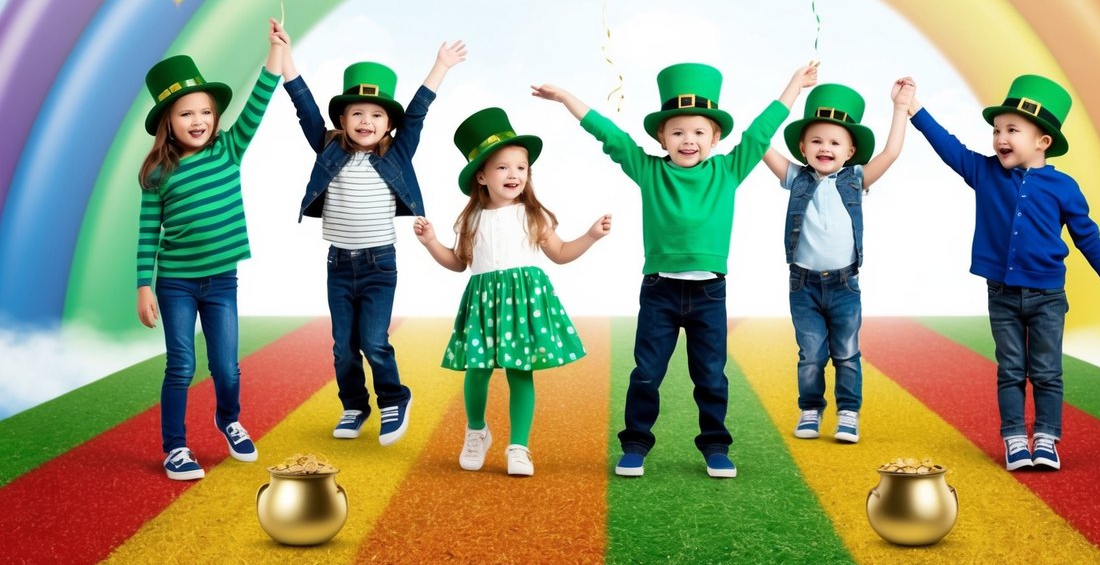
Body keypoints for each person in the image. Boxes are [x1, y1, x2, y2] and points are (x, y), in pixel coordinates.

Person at [533, 59, 818, 479]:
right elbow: (610, 137)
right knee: (647, 373)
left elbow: (759, 133)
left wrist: (795, 85)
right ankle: (635, 446)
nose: (688, 140)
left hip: (709, 294)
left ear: (716, 137)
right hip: (660, 291)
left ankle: (716, 447)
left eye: (699, 132)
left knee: (710, 376)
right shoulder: (649, 171)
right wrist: (566, 99)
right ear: (661, 136)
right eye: (678, 132)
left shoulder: (727, 170)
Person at [909, 74, 1100, 471]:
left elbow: (1090, 239)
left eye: (1012, 130)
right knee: (1011, 369)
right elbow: (949, 148)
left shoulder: (1064, 187)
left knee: (1047, 371)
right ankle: (1015, 439)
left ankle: (1047, 439)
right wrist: (914, 108)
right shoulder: (984, 173)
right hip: (1001, 294)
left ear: (1042, 141)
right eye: (997, 129)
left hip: (1048, 297)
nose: (1000, 137)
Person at [280, 35, 466, 446]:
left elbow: (417, 113)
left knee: (374, 342)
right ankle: (354, 405)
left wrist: (441, 66)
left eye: (376, 115)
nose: (366, 121)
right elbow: (304, 108)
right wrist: (286, 58)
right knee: (343, 347)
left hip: (379, 265)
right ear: (342, 121)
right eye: (356, 113)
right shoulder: (327, 148)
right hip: (338, 264)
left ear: (389, 124)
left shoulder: (395, 154)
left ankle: (394, 398)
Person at [413, 107, 610, 476]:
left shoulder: (535, 215)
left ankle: (518, 446)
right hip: (484, 303)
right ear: (482, 177)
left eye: (521, 167)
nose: (514, 174)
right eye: (503, 167)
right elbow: (458, 263)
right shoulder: (470, 219)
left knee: (521, 373)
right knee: (477, 368)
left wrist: (591, 235)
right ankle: (476, 431)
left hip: (525, 305)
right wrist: (430, 242)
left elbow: (562, 253)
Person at [136, 18, 287, 481]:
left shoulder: (229, 148)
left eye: (204, 112)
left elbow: (260, 98)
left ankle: (229, 419)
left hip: (222, 281)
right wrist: (144, 286)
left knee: (226, 365)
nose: (198, 121)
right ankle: (175, 448)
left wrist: (276, 50)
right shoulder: (158, 173)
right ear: (168, 122)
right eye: (185, 114)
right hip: (176, 283)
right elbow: (146, 233)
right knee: (180, 365)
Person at [762, 77, 916, 444]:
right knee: (811, 354)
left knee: (847, 353)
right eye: (816, 140)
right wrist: (791, 91)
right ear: (802, 147)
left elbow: (892, 153)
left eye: (835, 142)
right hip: (803, 284)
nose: (825, 148)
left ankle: (848, 413)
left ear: (850, 152)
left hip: (845, 284)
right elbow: (757, 142)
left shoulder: (856, 179)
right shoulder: (795, 177)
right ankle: (811, 409)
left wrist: (899, 108)